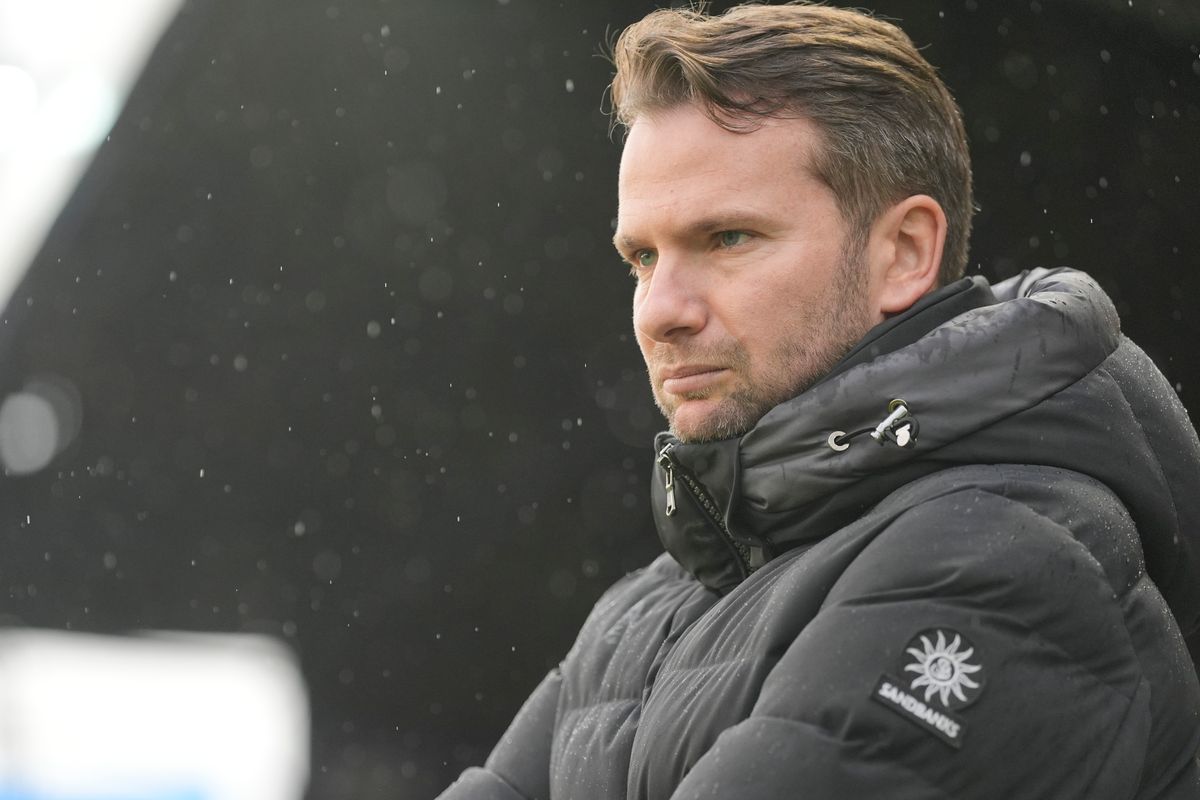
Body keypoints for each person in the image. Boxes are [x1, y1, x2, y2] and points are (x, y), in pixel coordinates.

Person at [439, 3, 1200, 797]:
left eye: (727, 238)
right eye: (642, 257)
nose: (661, 310)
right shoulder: (640, 612)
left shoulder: (1009, 556)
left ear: (904, 253)